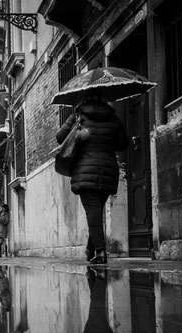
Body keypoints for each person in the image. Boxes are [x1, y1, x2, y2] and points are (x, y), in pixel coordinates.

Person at [56, 89, 129, 264]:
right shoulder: (113, 118)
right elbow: (123, 143)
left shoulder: (78, 117)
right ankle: (91, 250)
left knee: (93, 211)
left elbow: (60, 137)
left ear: (83, 98)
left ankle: (100, 251)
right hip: (108, 170)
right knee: (96, 211)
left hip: (84, 170)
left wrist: (78, 134)